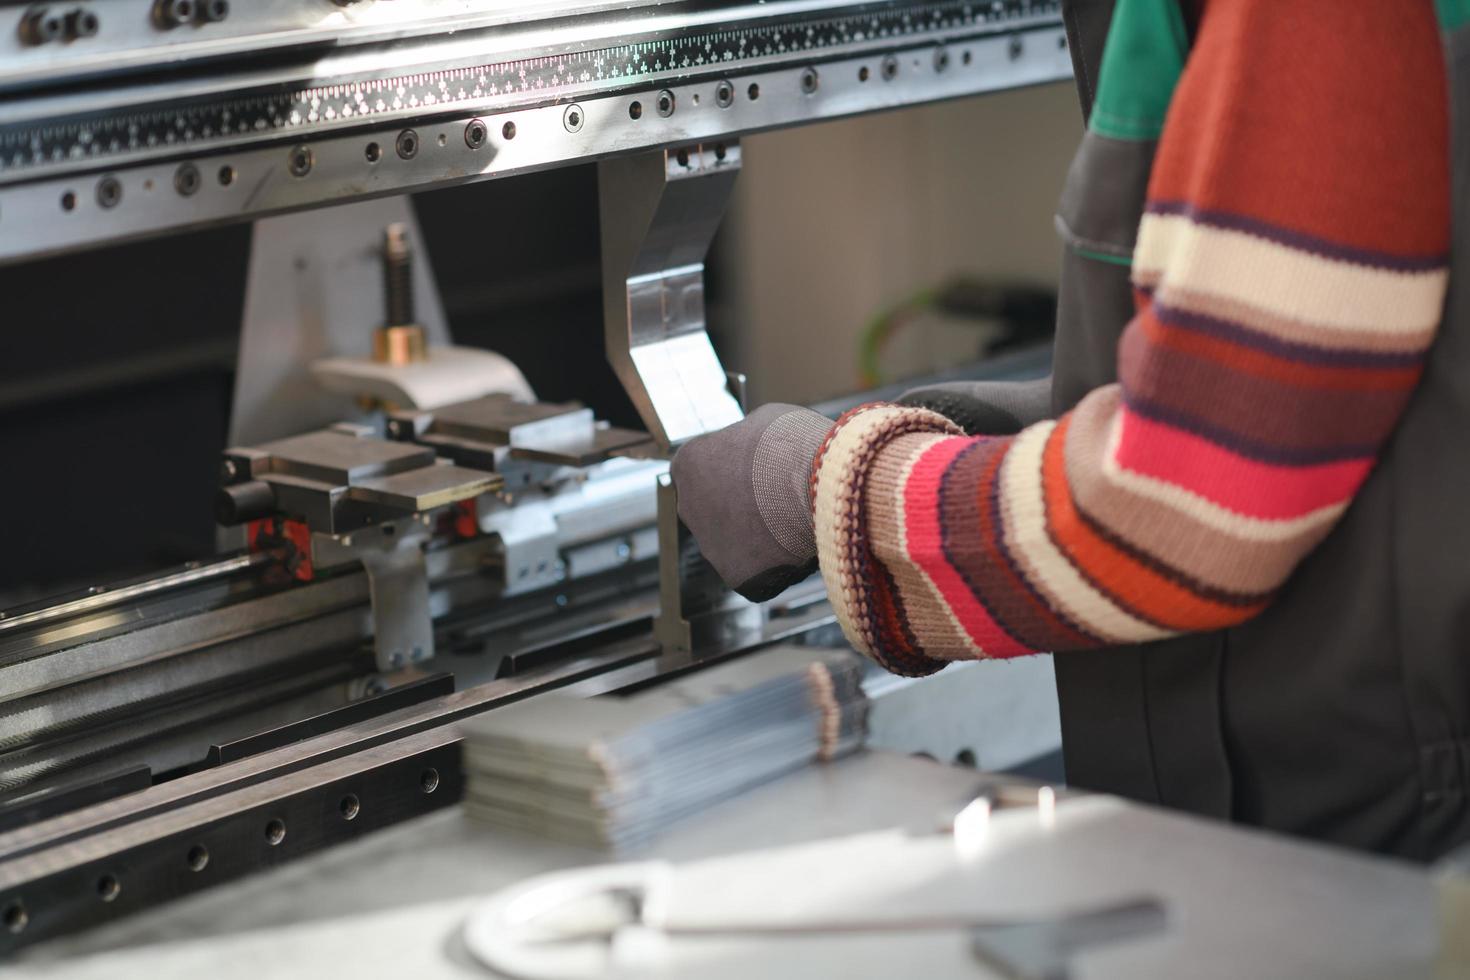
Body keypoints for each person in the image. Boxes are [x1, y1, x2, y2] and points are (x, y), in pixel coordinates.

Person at [671, 0, 1470, 861]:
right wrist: (1025, 439)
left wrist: (812, 489)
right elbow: (1345, 370)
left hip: (1361, 842)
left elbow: (1191, 512)